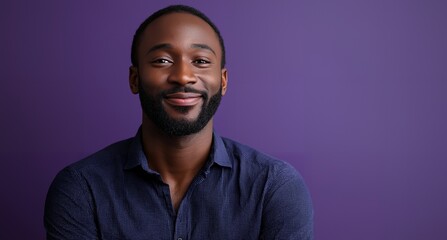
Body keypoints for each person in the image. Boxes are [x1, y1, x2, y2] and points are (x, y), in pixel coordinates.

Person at [44, 5, 313, 239]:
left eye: (201, 61)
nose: (183, 76)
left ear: (223, 81)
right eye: (162, 60)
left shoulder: (274, 188)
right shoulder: (82, 188)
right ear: (134, 79)